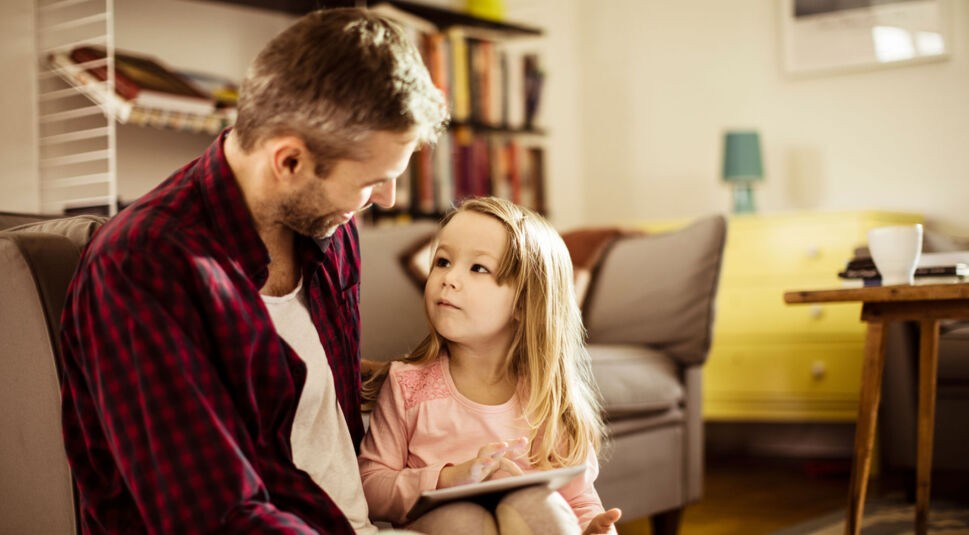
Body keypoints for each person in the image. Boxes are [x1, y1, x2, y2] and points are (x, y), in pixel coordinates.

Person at [58, 8, 447, 533]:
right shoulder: (141, 267)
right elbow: (214, 518)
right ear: (288, 161)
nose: (387, 198)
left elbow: (320, 419)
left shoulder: (330, 233)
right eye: (373, 180)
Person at [358, 197, 623, 534]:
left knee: (542, 506)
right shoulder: (406, 386)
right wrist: (449, 478)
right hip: (447, 524)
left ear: (524, 304)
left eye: (477, 268)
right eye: (441, 261)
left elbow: (580, 499)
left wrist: (594, 530)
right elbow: (370, 487)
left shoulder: (549, 399)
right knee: (467, 521)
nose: (448, 278)